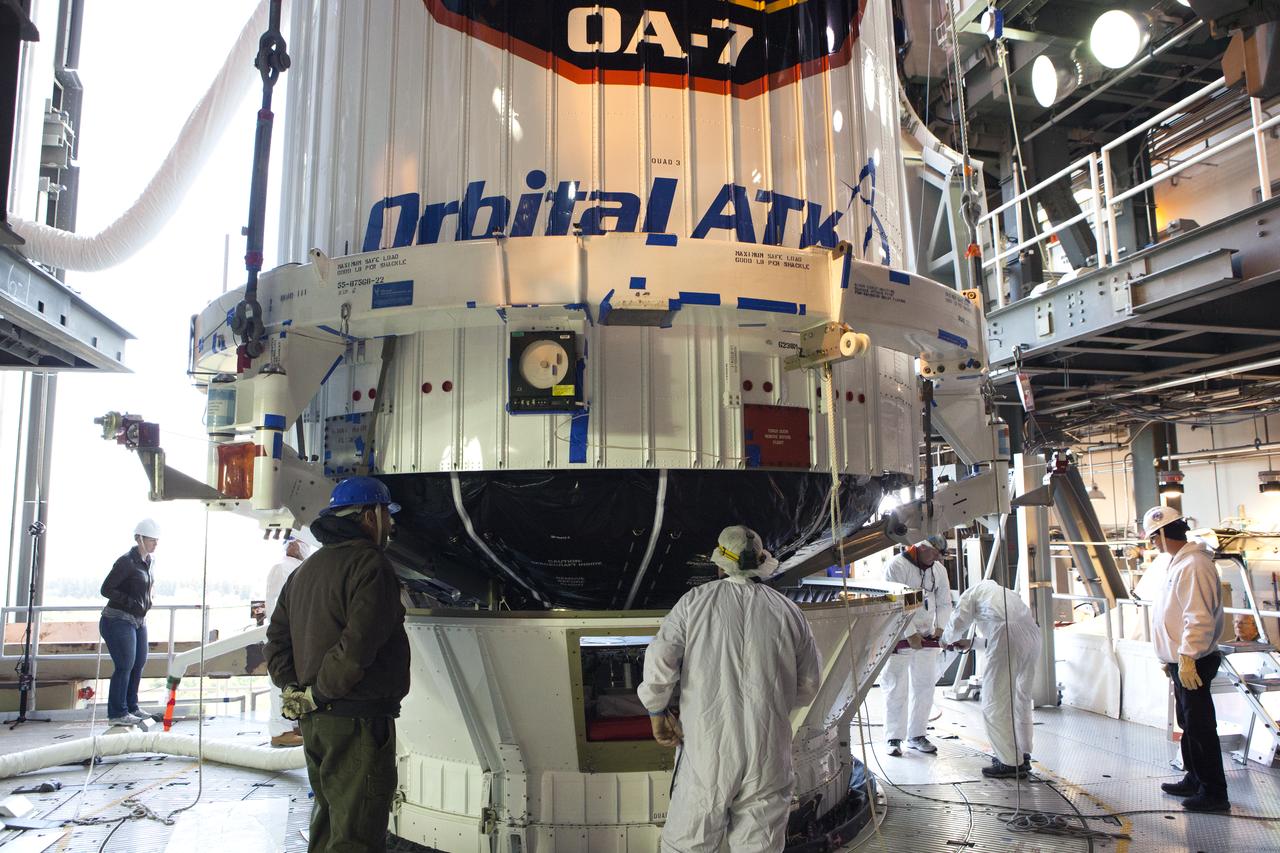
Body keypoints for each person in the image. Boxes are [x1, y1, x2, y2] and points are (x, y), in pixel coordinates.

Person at [638, 525, 822, 853]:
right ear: (760, 564)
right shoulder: (789, 611)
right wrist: (770, 708)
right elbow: (808, 684)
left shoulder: (694, 603)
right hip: (768, 752)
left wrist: (656, 712)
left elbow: (661, 658)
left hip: (707, 751)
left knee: (688, 844)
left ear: (719, 565)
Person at [265, 477, 411, 852]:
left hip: (316, 724)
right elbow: (357, 645)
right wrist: (319, 693)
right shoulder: (370, 565)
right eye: (385, 515)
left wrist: (294, 690)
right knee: (356, 833)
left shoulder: (305, 571)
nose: (390, 525)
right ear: (368, 516)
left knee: (329, 823)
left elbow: (277, 638)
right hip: (356, 723)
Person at [1142, 505, 1230, 812]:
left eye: (1153, 538)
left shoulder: (1194, 565)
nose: (1152, 544)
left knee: (1201, 726)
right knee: (1188, 723)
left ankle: (1214, 792)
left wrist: (1189, 655)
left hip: (1194, 661)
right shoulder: (1179, 564)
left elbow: (1198, 616)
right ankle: (1194, 778)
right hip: (1181, 662)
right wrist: (1171, 656)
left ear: (1164, 534)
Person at [942, 578, 1041, 778]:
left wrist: (945, 640)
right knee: (1020, 698)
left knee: (995, 701)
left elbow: (959, 620)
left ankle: (1009, 762)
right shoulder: (1005, 593)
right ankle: (1022, 753)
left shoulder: (972, 592)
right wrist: (972, 643)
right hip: (1032, 636)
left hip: (1007, 636)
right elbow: (1008, 633)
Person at [881, 536, 953, 756]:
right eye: (933, 553)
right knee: (896, 688)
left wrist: (940, 628)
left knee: (924, 687)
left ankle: (917, 735)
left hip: (927, 635)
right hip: (899, 635)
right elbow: (896, 603)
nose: (936, 558)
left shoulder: (937, 570)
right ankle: (893, 738)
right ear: (921, 548)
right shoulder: (897, 566)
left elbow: (944, 601)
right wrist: (910, 633)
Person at [99, 519, 160, 727]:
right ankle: (117, 712)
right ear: (139, 539)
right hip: (117, 619)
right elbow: (106, 589)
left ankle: (131, 707)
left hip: (138, 620)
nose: (155, 544)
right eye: (151, 540)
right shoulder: (126, 562)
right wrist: (130, 602)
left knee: (138, 663)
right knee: (124, 665)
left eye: (156, 540)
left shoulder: (148, 562)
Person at [265, 537, 311, 747]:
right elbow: (279, 607)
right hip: (287, 634)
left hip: (295, 634)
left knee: (294, 680)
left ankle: (292, 725)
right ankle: (280, 731)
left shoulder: (297, 567)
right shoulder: (283, 568)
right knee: (281, 682)